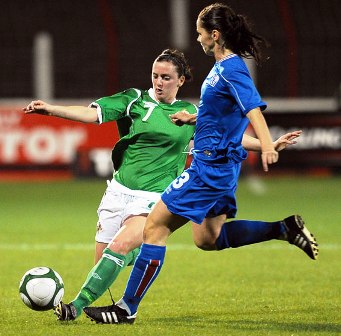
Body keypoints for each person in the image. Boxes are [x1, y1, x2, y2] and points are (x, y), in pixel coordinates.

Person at [24, 49, 302, 322]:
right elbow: (90, 114)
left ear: (181, 80)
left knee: (119, 247)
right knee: (106, 261)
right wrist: (50, 110)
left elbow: (230, 139)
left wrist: (267, 144)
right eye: (155, 76)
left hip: (154, 197)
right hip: (118, 192)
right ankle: (141, 250)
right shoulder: (133, 100)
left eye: (166, 77)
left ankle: (75, 307)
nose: (158, 82)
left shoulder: (192, 113)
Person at [82, 3, 318, 324]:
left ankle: (126, 308)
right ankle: (284, 228)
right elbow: (222, 116)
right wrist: (191, 117)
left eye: (201, 33)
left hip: (208, 169)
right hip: (221, 166)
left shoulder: (232, 69)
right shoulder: (220, 68)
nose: (198, 39)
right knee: (208, 239)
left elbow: (252, 109)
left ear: (215, 35)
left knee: (155, 227)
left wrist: (266, 145)